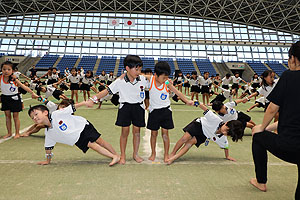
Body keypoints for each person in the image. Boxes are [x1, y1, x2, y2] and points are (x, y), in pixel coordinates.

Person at [250, 41, 300, 199]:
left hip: (291, 146)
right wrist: (269, 128)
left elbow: (272, 108)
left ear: (292, 58)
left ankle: (261, 181)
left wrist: (262, 127)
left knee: (258, 137)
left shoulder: (289, 76)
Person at [86, 55, 148, 164]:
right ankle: (123, 155)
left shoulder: (142, 79)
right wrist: (93, 99)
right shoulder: (119, 81)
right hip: (125, 107)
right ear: (127, 68)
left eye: (140, 69)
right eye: (136, 69)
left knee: (137, 132)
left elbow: (155, 80)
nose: (139, 72)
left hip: (139, 107)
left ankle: (135, 154)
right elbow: (106, 91)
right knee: (125, 132)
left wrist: (167, 82)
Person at [28, 102, 120, 166]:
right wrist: (47, 161)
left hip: (82, 126)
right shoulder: (49, 134)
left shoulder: (56, 114)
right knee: (93, 145)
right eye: (32, 117)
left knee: (100, 142)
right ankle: (114, 156)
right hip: (76, 139)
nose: (35, 118)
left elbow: (70, 108)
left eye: (36, 114)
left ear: (45, 112)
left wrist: (84, 103)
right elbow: (48, 149)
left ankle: (115, 155)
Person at [145, 61, 194, 162]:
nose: (165, 79)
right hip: (154, 112)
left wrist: (187, 101)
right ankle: (153, 153)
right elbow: (140, 75)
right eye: (163, 77)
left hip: (166, 111)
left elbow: (177, 92)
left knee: (165, 134)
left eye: (167, 77)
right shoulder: (151, 80)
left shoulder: (167, 83)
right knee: (153, 134)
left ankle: (166, 154)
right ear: (155, 75)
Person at [167, 102, 244, 165]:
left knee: (190, 143)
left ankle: (174, 158)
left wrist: (227, 156)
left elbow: (226, 146)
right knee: (185, 138)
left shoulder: (222, 138)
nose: (224, 132)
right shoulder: (215, 119)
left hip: (204, 135)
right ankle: (173, 153)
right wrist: (195, 103)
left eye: (227, 133)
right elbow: (205, 109)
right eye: (226, 129)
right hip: (199, 124)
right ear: (226, 123)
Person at [0, 61, 38, 139]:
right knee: (7, 116)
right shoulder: (0, 78)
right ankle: (9, 132)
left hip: (15, 98)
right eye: (4, 69)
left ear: (12, 71)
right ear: (1, 70)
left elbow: (23, 86)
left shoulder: (14, 79)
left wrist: (32, 92)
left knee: (15, 116)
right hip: (5, 98)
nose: (6, 71)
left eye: (8, 69)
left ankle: (17, 133)